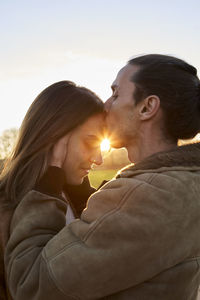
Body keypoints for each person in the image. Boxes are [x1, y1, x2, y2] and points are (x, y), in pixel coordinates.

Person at [4, 54, 200, 300]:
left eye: (116, 94)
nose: (107, 104)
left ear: (147, 107)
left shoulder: (149, 194)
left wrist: (47, 190)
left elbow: (34, 285)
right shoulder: (184, 182)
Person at [0, 80, 105, 300]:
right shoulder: (5, 212)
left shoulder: (78, 200)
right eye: (90, 143)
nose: (99, 159)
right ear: (55, 137)